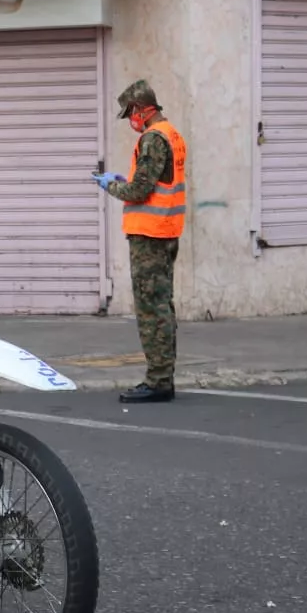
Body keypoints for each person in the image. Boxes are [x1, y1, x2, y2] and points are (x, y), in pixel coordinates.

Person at [94, 79, 188, 404]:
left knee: (151, 309)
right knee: (162, 305)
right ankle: (163, 377)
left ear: (141, 109)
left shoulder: (153, 139)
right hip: (165, 230)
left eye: (130, 113)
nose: (130, 120)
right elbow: (153, 183)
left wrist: (110, 186)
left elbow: (140, 191)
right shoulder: (172, 133)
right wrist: (127, 180)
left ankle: (159, 381)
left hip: (151, 235)